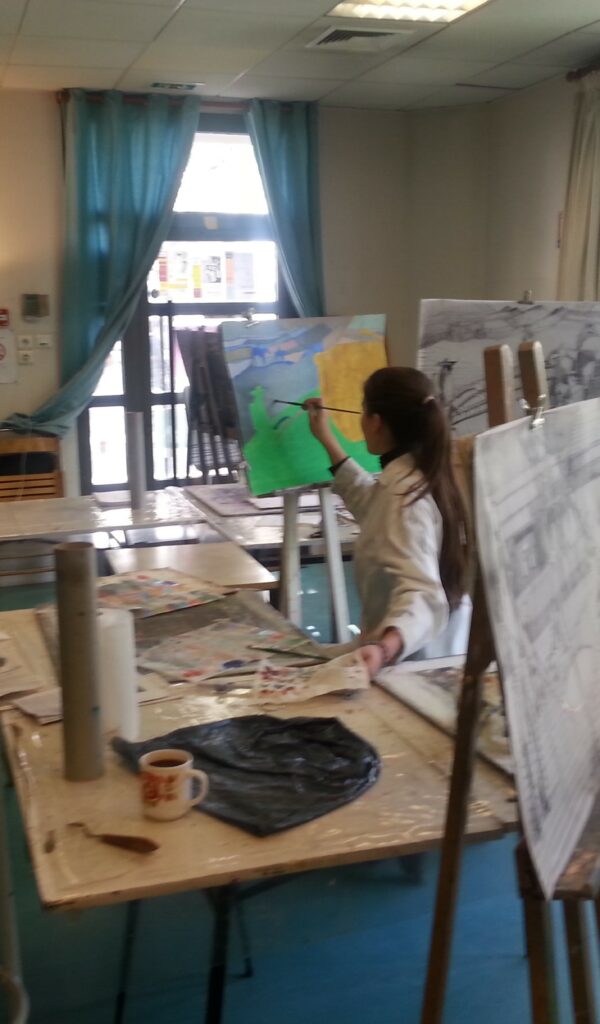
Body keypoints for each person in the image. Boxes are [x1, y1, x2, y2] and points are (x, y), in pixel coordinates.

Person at [305, 366, 469, 678]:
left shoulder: (404, 497)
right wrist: (327, 439)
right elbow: (373, 507)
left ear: (376, 422)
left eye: (363, 411)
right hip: (429, 650)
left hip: (411, 659)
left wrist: (384, 649)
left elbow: (422, 592)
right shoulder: (416, 476)